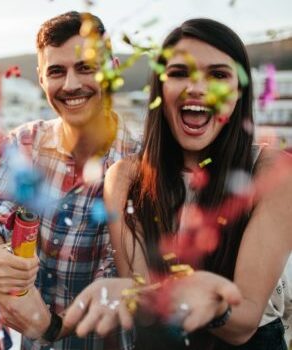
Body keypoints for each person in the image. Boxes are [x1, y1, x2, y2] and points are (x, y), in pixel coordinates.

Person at [86, 18, 292, 349]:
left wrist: (210, 298)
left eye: (218, 75)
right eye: (180, 73)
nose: (196, 87)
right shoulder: (124, 178)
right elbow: (143, 301)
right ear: (159, 89)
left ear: (239, 93)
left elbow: (243, 323)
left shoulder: (271, 171)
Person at [0, 11, 140, 350]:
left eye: (85, 67)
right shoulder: (25, 143)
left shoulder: (144, 157)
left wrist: (54, 327)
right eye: (57, 71)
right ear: (42, 80)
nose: (71, 84)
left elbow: (128, 274)